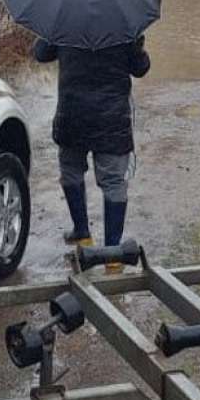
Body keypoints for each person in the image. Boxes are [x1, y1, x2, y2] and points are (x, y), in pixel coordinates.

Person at [32, 34, 151, 249]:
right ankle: (112, 253)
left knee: (71, 171)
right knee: (114, 181)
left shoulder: (65, 18)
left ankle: (82, 234)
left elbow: (41, 54)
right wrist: (138, 45)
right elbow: (141, 68)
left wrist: (48, 31)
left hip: (72, 114)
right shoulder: (124, 24)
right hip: (112, 119)